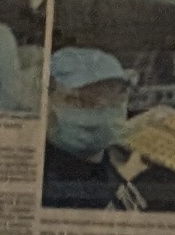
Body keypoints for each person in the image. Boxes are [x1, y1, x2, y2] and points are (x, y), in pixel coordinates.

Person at [41, 44, 140, 207]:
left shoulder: (101, 158)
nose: (93, 112)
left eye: (114, 95)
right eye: (76, 101)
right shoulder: (52, 186)